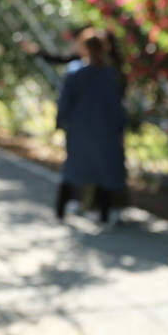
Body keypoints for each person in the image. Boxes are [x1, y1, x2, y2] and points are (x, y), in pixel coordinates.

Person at [54, 30, 127, 224]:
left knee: (72, 170)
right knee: (104, 172)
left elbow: (64, 101)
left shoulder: (75, 71)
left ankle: (60, 212)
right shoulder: (108, 74)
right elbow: (116, 105)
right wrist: (120, 129)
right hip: (104, 130)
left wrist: (59, 122)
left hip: (79, 129)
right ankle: (103, 216)